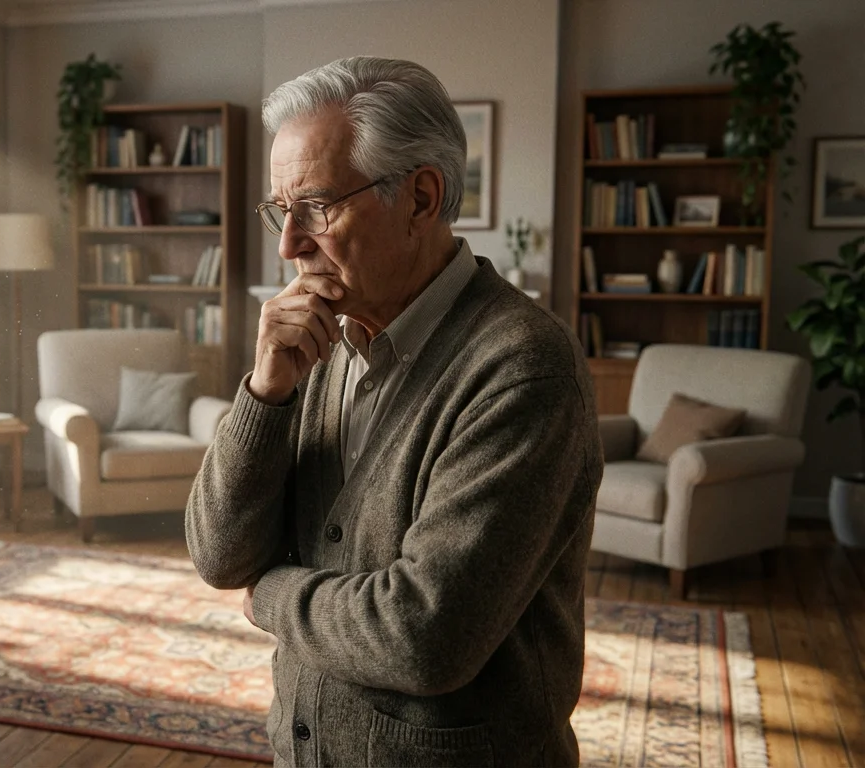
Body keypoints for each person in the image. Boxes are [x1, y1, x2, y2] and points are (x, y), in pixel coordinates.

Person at [185, 56, 602, 767]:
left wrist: (272, 595)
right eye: (281, 210)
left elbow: (424, 637)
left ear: (420, 198)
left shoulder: (524, 368)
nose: (288, 244)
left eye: (316, 206)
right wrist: (265, 394)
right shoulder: (314, 342)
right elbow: (221, 556)